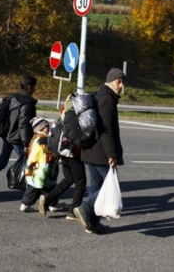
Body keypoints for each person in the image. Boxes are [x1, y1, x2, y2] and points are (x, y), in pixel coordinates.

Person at [74, 68, 125, 234]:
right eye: (119, 82)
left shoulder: (99, 95)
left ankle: (92, 222)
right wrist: (112, 154)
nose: (121, 85)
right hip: (101, 152)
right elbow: (106, 130)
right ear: (112, 81)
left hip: (90, 150)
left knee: (96, 187)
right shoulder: (107, 99)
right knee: (108, 188)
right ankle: (84, 208)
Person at [0, 74, 38, 197]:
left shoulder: (12, 97)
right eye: (34, 87)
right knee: (28, 162)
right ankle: (30, 192)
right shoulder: (26, 102)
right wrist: (26, 142)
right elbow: (23, 124)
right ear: (29, 87)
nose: (35, 89)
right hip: (17, 138)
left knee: (2, 162)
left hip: (7, 135)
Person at [38, 108, 87, 219]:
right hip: (72, 153)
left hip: (61, 151)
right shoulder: (79, 115)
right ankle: (73, 211)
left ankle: (48, 198)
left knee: (69, 178)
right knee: (80, 182)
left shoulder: (65, 113)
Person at [20, 117, 59, 212]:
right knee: (47, 187)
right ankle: (51, 204)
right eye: (46, 126)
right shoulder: (44, 139)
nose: (48, 128)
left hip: (35, 168)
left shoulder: (35, 137)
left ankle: (25, 204)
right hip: (44, 167)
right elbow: (47, 153)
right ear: (40, 128)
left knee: (33, 187)